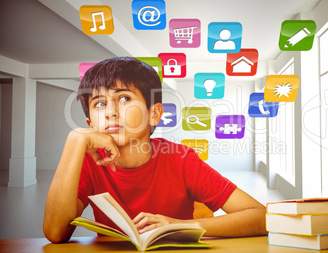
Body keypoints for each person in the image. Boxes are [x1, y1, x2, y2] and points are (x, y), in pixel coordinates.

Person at [43, 57, 267, 243]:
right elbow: (55, 233)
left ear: (154, 114)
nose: (110, 112)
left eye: (124, 98)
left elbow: (262, 217)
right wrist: (74, 141)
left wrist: (178, 226)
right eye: (100, 104)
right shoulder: (89, 161)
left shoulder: (181, 159)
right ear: (90, 123)